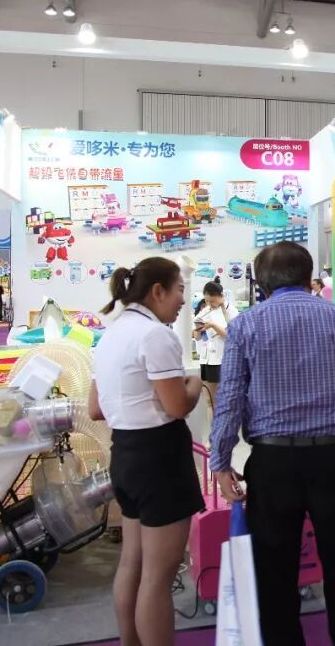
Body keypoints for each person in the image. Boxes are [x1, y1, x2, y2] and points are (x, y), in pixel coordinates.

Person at [210, 241, 335, 645]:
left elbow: (229, 399)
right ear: (307, 276)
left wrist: (221, 461)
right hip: (333, 457)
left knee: (275, 572)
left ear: (262, 283)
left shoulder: (246, 325)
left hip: (273, 462)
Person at [88, 257, 204, 646]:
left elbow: (95, 409)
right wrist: (194, 383)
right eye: (180, 290)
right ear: (158, 291)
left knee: (133, 565)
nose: (183, 300)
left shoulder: (110, 335)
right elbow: (176, 406)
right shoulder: (155, 336)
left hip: (125, 454)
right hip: (160, 459)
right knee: (157, 577)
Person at [193, 281, 238, 412]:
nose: (209, 304)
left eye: (212, 301)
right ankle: (213, 425)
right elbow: (197, 337)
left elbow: (231, 335)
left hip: (223, 359)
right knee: (209, 401)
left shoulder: (231, 310)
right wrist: (197, 328)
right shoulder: (205, 311)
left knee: (222, 400)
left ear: (221, 296)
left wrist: (213, 325)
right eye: (207, 301)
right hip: (207, 358)